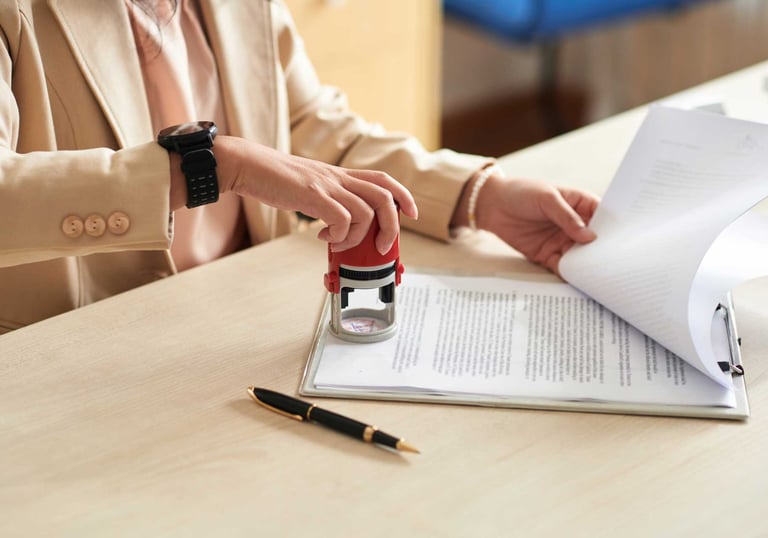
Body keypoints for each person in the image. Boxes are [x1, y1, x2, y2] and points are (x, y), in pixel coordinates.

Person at [0, 0, 598, 334]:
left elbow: (312, 130)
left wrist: (478, 195)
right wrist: (215, 166)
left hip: (240, 322)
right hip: (76, 351)